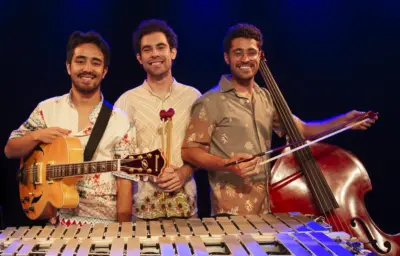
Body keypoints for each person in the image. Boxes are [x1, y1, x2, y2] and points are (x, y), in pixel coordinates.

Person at [181, 23, 377, 216]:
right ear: (227, 57)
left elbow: (300, 129)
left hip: (268, 209)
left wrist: (344, 122)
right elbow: (190, 151)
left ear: (259, 56)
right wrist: (226, 164)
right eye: (238, 53)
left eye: (251, 52)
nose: (245, 59)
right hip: (231, 212)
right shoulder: (210, 101)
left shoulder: (265, 97)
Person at [4, 31, 136, 224]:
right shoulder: (47, 109)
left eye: (96, 63)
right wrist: (37, 135)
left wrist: (122, 234)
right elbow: (10, 149)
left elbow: (124, 183)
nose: (87, 68)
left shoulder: (120, 121)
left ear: (105, 71)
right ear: (68, 66)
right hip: (57, 224)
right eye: (80, 61)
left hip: (105, 227)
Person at [115, 19, 200, 220]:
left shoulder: (194, 97)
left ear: (173, 52)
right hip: (142, 212)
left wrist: (184, 172)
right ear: (139, 57)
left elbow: (205, 150)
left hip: (186, 209)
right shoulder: (126, 101)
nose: (154, 54)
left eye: (160, 47)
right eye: (147, 49)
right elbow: (117, 159)